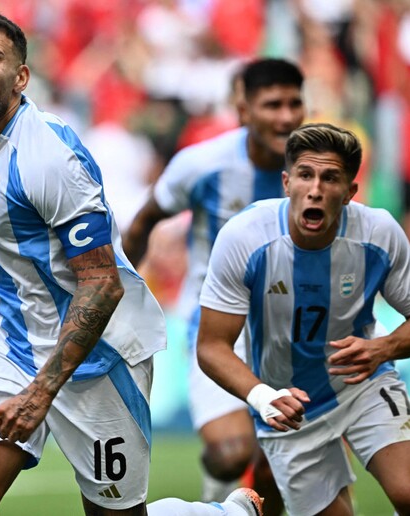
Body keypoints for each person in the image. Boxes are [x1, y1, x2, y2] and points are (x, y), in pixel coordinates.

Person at [0, 9, 264, 516]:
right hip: (12, 349)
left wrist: (42, 392)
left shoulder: (50, 157)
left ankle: (221, 514)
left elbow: (102, 283)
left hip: (99, 359)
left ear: (21, 77)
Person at [197, 122, 410, 515]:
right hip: (287, 407)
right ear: (286, 182)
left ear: (349, 192)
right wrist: (264, 397)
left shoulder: (379, 234)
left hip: (360, 385)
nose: (315, 189)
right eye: (305, 175)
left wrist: (384, 347)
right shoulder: (245, 237)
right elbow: (211, 346)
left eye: (331, 178)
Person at [123, 57, 305, 511]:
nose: (284, 116)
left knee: (282, 462)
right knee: (231, 456)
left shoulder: (315, 168)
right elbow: (146, 220)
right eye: (272, 104)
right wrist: (121, 295)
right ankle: (218, 483)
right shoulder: (203, 164)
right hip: (219, 326)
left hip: (293, 331)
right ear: (244, 109)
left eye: (293, 103)